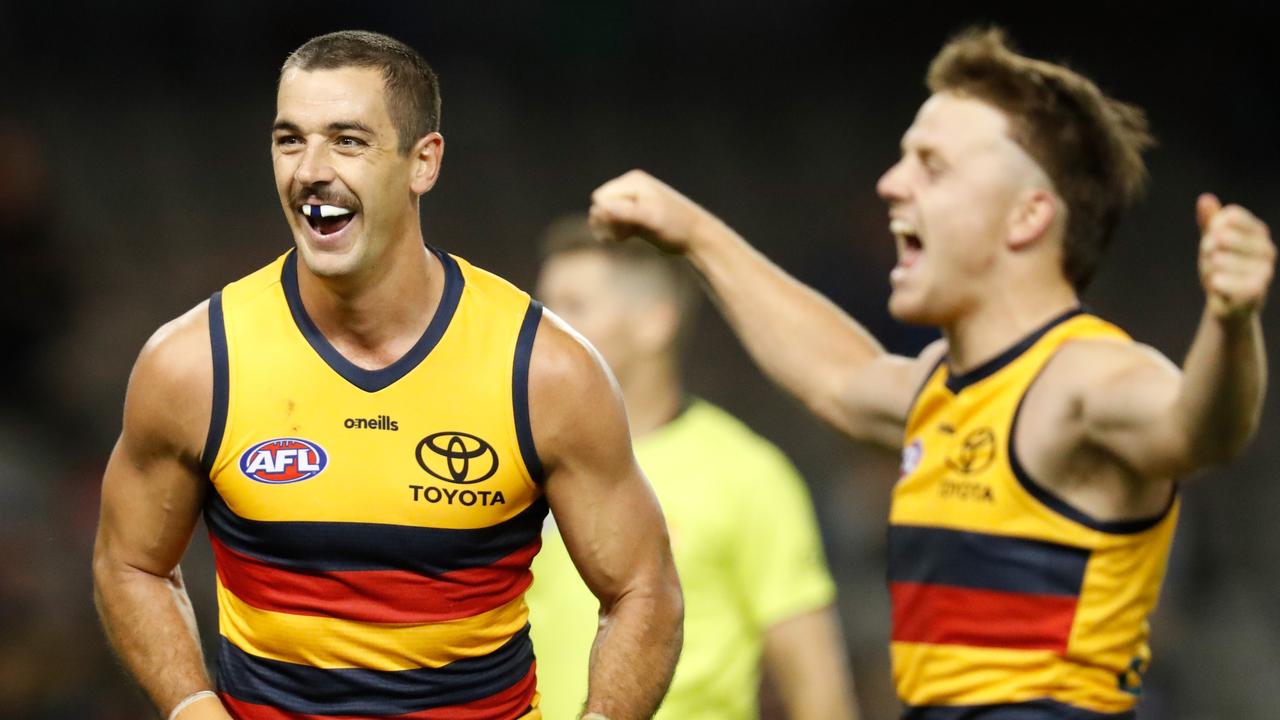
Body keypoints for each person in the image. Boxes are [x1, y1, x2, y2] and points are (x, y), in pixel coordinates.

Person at [587, 27, 1274, 720]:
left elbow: (1198, 429)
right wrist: (695, 233)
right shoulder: (940, 392)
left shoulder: (1083, 376)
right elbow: (837, 374)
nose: (891, 182)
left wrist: (1231, 322)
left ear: (1028, 215)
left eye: (932, 166)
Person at [92, 30, 682, 720]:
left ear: (422, 162)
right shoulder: (195, 363)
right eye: (290, 140)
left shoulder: (543, 371)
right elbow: (128, 564)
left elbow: (645, 588)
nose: (309, 168)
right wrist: (193, 708)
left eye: (347, 140)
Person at [525, 218, 860, 720]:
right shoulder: (517, 459)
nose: (543, 328)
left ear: (654, 323)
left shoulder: (746, 473)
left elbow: (820, 694)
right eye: (541, 308)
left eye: (573, 307)